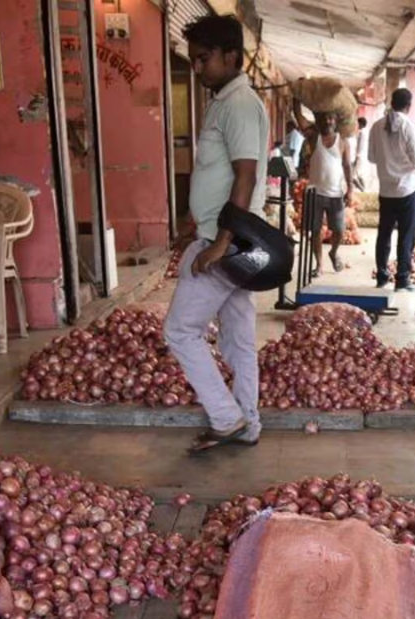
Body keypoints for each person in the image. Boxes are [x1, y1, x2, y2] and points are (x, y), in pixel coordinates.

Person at [163, 15, 267, 453]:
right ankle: (247, 422)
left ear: (232, 57)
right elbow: (219, 172)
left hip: (228, 242)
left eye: (204, 59)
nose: (198, 68)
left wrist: (220, 242)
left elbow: (245, 175)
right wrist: (195, 219)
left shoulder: (239, 103)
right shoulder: (222, 101)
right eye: (194, 60)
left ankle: (226, 418)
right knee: (238, 339)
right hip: (229, 238)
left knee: (180, 331)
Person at [368, 88, 415, 291]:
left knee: (383, 234)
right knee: (406, 235)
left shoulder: (376, 127)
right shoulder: (409, 127)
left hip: (386, 190)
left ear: (391, 102)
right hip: (407, 190)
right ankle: (402, 279)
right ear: (408, 106)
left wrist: (389, 162)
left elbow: (372, 158)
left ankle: (382, 276)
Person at [304, 109, 354, 275]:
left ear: (336, 121)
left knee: (339, 230)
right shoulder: (313, 138)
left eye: (331, 118)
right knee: (316, 231)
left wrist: (351, 189)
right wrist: (298, 100)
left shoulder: (342, 142)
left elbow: (347, 166)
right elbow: (300, 120)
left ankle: (333, 252)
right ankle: (319, 265)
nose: (328, 121)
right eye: (324, 118)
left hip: (336, 194)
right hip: (315, 193)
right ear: (319, 121)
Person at [352, 116, 370, 190]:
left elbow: (360, 146)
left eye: (357, 124)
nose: (356, 125)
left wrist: (357, 157)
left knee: (352, 175)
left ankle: (362, 189)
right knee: (359, 175)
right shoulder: (364, 132)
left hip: (359, 156)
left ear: (361, 124)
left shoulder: (362, 133)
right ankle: (363, 189)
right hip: (361, 156)